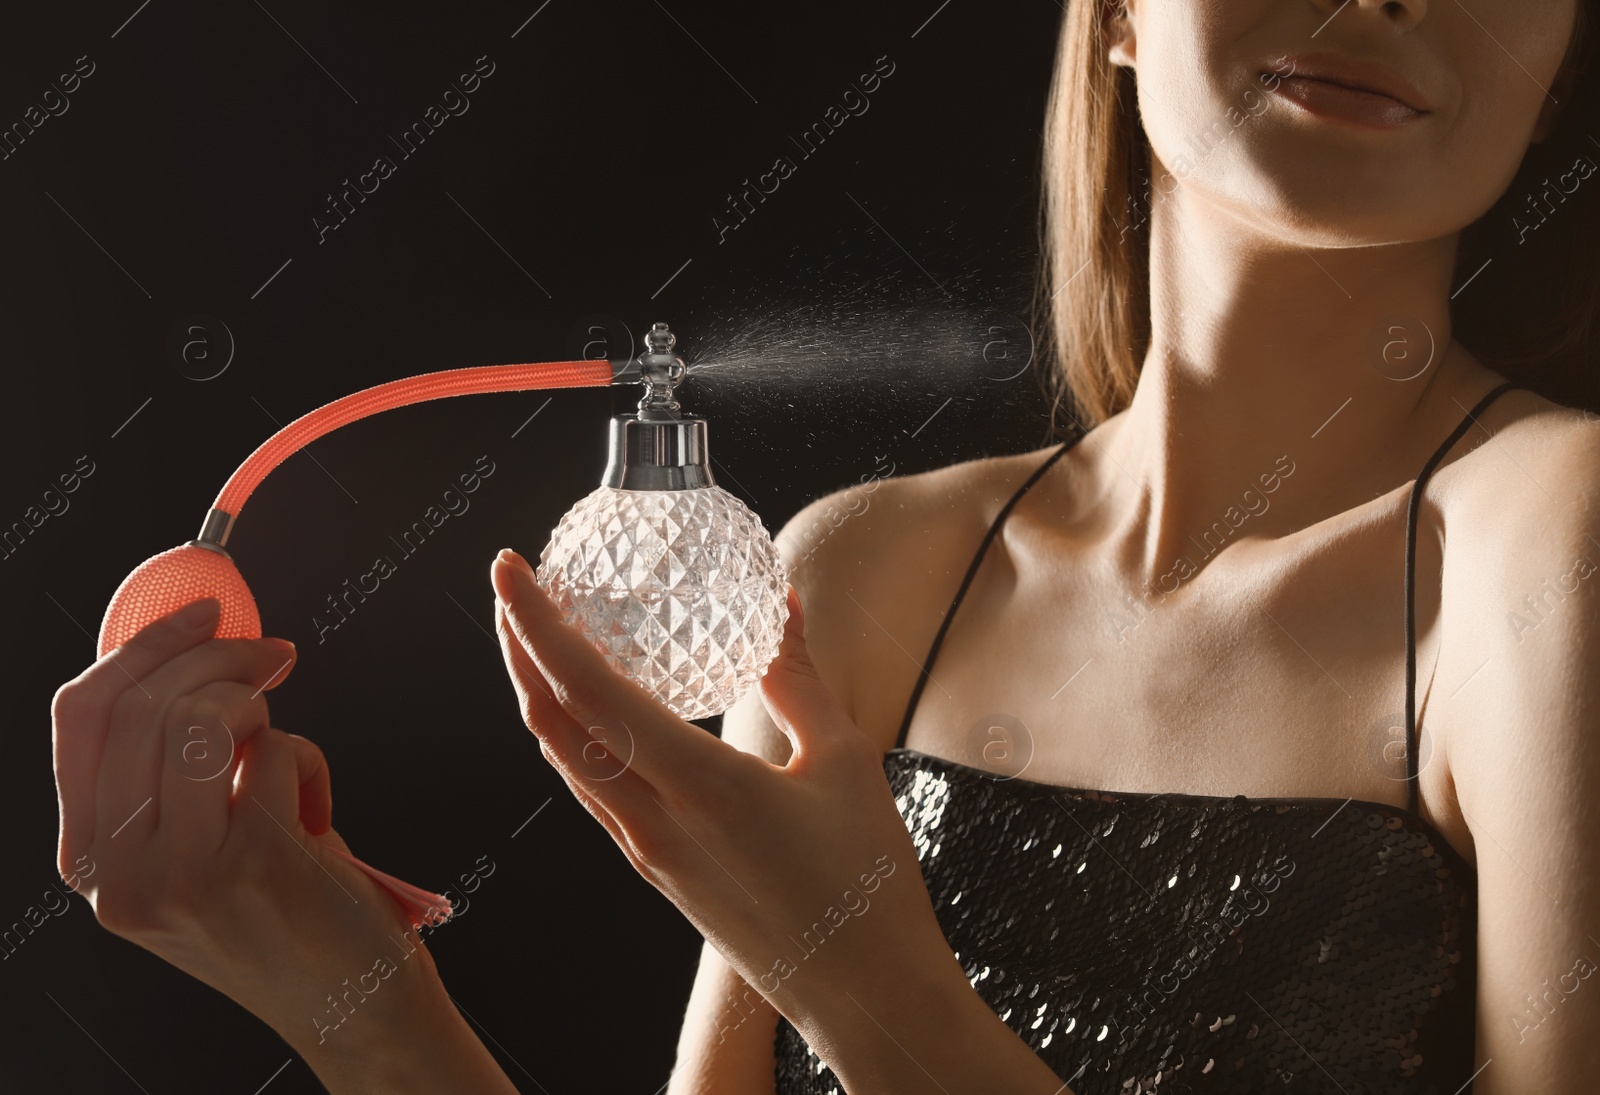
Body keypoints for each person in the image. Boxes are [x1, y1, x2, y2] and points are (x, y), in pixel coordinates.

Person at [50, 0, 1600, 1091]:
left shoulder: (1547, 541)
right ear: (1117, 9)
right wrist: (357, 1005)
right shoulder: (871, 570)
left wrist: (853, 978)